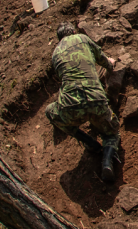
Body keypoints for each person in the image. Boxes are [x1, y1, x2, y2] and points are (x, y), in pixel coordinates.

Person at [46, 22, 120, 182]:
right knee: (112, 132)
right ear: (73, 31)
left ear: (59, 39)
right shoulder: (82, 38)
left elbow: (62, 77)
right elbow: (101, 58)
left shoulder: (55, 53)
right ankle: (107, 161)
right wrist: (110, 64)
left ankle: (89, 142)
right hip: (96, 100)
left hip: (70, 107)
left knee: (50, 112)